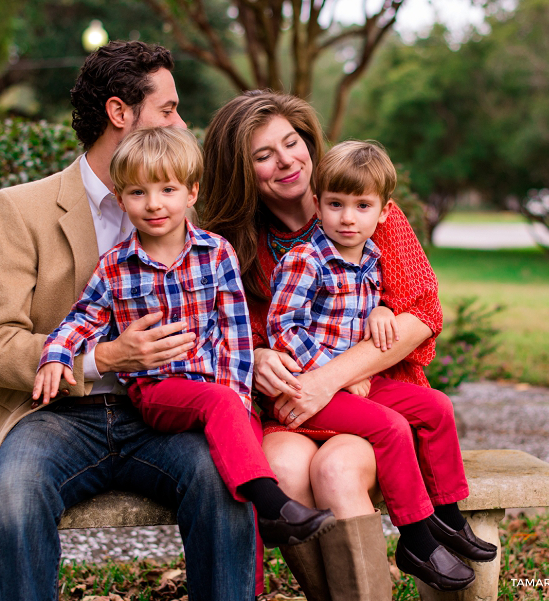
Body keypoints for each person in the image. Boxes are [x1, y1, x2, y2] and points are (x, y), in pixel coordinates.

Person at [0, 41, 260, 601]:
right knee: (13, 493)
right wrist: (102, 358)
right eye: (167, 109)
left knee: (223, 480)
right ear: (119, 113)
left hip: (164, 411)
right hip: (53, 414)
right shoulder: (19, 209)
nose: (180, 122)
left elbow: (224, 319)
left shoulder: (179, 202)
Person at [34, 126, 336, 548]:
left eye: (167, 190)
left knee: (244, 445)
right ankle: (272, 502)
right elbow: (82, 319)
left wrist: (239, 400)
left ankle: (255, 567)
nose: (154, 204)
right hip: (158, 392)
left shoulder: (216, 253)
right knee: (233, 429)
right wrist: (56, 355)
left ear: (191, 192)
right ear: (120, 200)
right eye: (137, 193)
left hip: (220, 393)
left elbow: (235, 334)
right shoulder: (116, 266)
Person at [199, 91, 444, 601]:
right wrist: (258, 356)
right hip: (289, 407)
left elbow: (422, 315)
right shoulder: (229, 243)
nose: (286, 160)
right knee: (284, 470)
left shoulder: (364, 210)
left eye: (292, 143)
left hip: (370, 395)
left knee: (336, 468)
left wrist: (327, 378)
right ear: (242, 172)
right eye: (263, 155)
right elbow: (213, 334)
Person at [266, 140, 497, 592]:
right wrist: (333, 377)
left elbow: (403, 309)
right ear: (317, 204)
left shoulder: (371, 257)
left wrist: (382, 312)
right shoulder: (304, 260)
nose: (347, 217)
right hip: (307, 389)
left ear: (384, 212)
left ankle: (448, 515)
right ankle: (415, 538)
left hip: (357, 382)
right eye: (335, 204)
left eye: (361, 206)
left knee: (434, 408)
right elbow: (282, 327)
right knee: (391, 428)